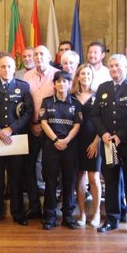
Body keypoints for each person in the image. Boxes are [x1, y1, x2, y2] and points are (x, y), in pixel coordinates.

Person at [91, 54, 127, 236]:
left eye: (118, 66)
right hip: (108, 144)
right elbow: (96, 115)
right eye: (111, 66)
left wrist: (120, 136)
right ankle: (112, 219)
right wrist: (104, 134)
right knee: (112, 183)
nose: (114, 69)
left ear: (126, 67)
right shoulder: (103, 88)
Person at [0, 55, 33, 225]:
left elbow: (28, 112)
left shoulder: (23, 87)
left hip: (16, 139)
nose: (6, 70)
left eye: (9, 67)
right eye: (3, 67)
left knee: (16, 178)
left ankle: (17, 212)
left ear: (15, 69)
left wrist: (11, 129)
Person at [40, 70, 82, 229]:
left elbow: (77, 125)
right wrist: (57, 140)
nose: (61, 84)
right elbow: (44, 123)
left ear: (70, 84)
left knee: (69, 182)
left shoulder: (75, 103)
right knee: (50, 181)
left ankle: (68, 215)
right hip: (51, 145)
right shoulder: (47, 102)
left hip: (70, 146)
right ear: (54, 84)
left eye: (65, 81)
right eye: (58, 81)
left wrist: (65, 141)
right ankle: (50, 216)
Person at [24, 45, 58, 219]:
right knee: (29, 167)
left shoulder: (56, 75)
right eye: (35, 54)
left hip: (52, 129)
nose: (38, 57)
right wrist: (31, 124)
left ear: (49, 56)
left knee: (49, 169)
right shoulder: (26, 76)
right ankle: (34, 206)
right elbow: (24, 103)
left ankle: (49, 209)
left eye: (42, 54)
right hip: (31, 126)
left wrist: (44, 125)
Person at [72, 63, 101, 227]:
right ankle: (82, 213)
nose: (85, 77)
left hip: (93, 141)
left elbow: (103, 121)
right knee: (80, 177)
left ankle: (96, 213)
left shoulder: (99, 95)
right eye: (82, 74)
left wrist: (96, 142)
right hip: (76, 141)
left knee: (93, 177)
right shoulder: (72, 96)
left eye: (88, 74)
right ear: (78, 76)